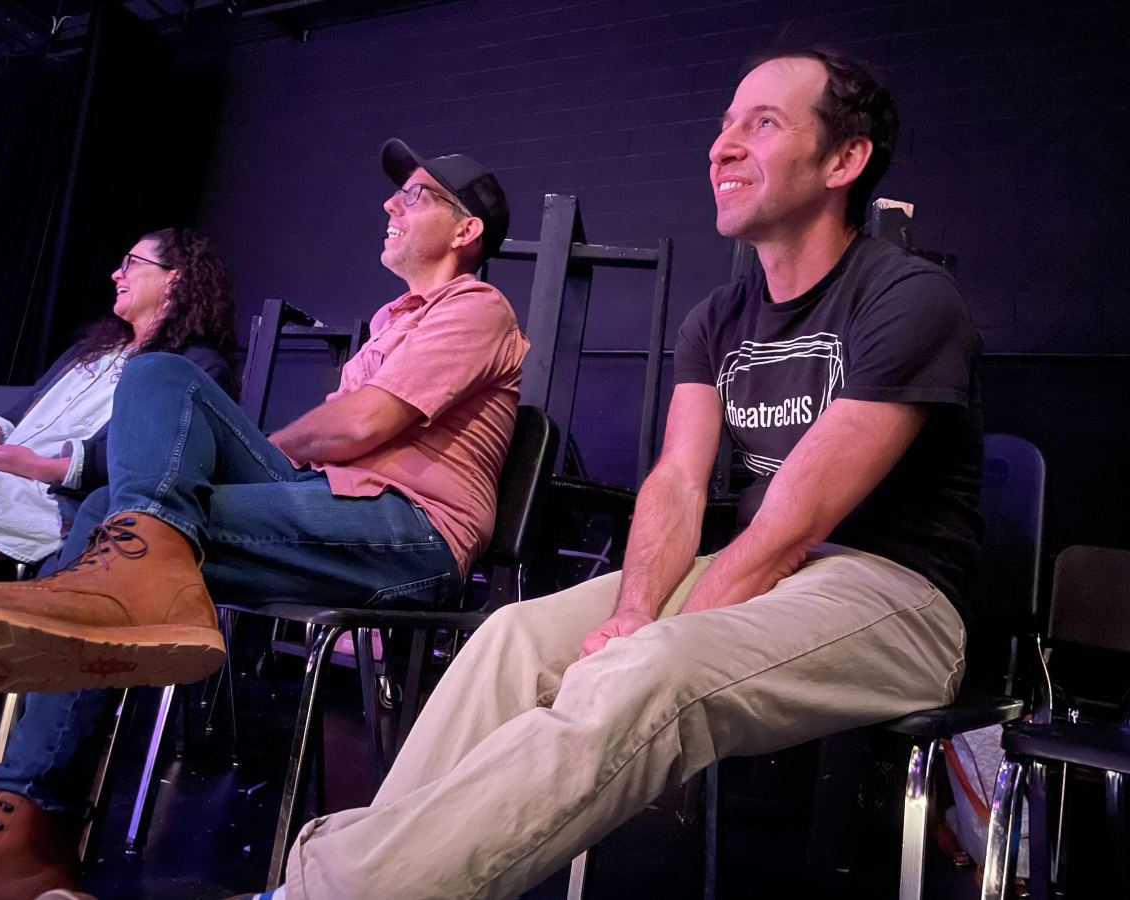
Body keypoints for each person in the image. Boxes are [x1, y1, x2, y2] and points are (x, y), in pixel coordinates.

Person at [244, 47, 978, 899]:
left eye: (763, 123)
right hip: (769, 569)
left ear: (844, 161)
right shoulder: (719, 317)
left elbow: (798, 517)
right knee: (509, 641)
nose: (722, 146)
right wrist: (633, 610)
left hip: (896, 597)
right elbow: (677, 480)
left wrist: (653, 635)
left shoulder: (907, 296)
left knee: (645, 669)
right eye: (725, 123)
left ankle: (315, 894)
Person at [0, 140, 525, 900]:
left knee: (163, 390)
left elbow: (361, 425)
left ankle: (27, 827)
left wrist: (256, 447)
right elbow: (337, 443)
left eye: (412, 196)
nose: (388, 206)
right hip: (329, 507)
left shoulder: (477, 307)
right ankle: (25, 831)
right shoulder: (386, 321)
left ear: (465, 228)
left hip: (408, 536)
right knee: (149, 399)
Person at [0, 227, 238, 568]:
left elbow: (147, 461)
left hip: (48, 500)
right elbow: (24, 407)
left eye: (131, 262)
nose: (116, 273)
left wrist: (37, 466)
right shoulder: (94, 348)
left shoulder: (191, 367)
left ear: (173, 279)